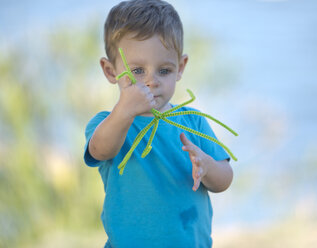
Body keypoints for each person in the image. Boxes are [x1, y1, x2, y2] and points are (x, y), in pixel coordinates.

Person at [84, 0, 233, 247]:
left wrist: (207, 166)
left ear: (180, 68)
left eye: (164, 71)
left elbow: (225, 178)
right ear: (111, 71)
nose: (152, 82)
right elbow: (100, 150)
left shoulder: (192, 121)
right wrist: (125, 110)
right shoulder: (107, 124)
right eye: (138, 71)